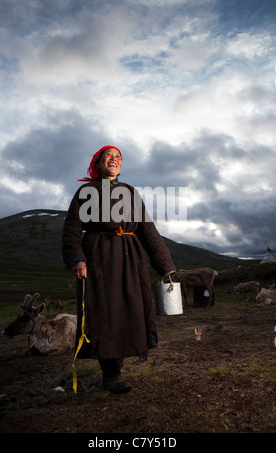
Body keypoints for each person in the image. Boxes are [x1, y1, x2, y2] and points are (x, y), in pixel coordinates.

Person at [62, 145, 176, 394]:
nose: (113, 160)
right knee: (105, 313)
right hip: (99, 257)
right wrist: (77, 259)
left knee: (131, 309)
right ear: (98, 163)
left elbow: (148, 230)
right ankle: (111, 374)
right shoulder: (87, 191)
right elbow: (72, 227)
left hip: (130, 258)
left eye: (118, 157)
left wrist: (165, 266)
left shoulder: (130, 192)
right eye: (108, 157)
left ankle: (120, 366)